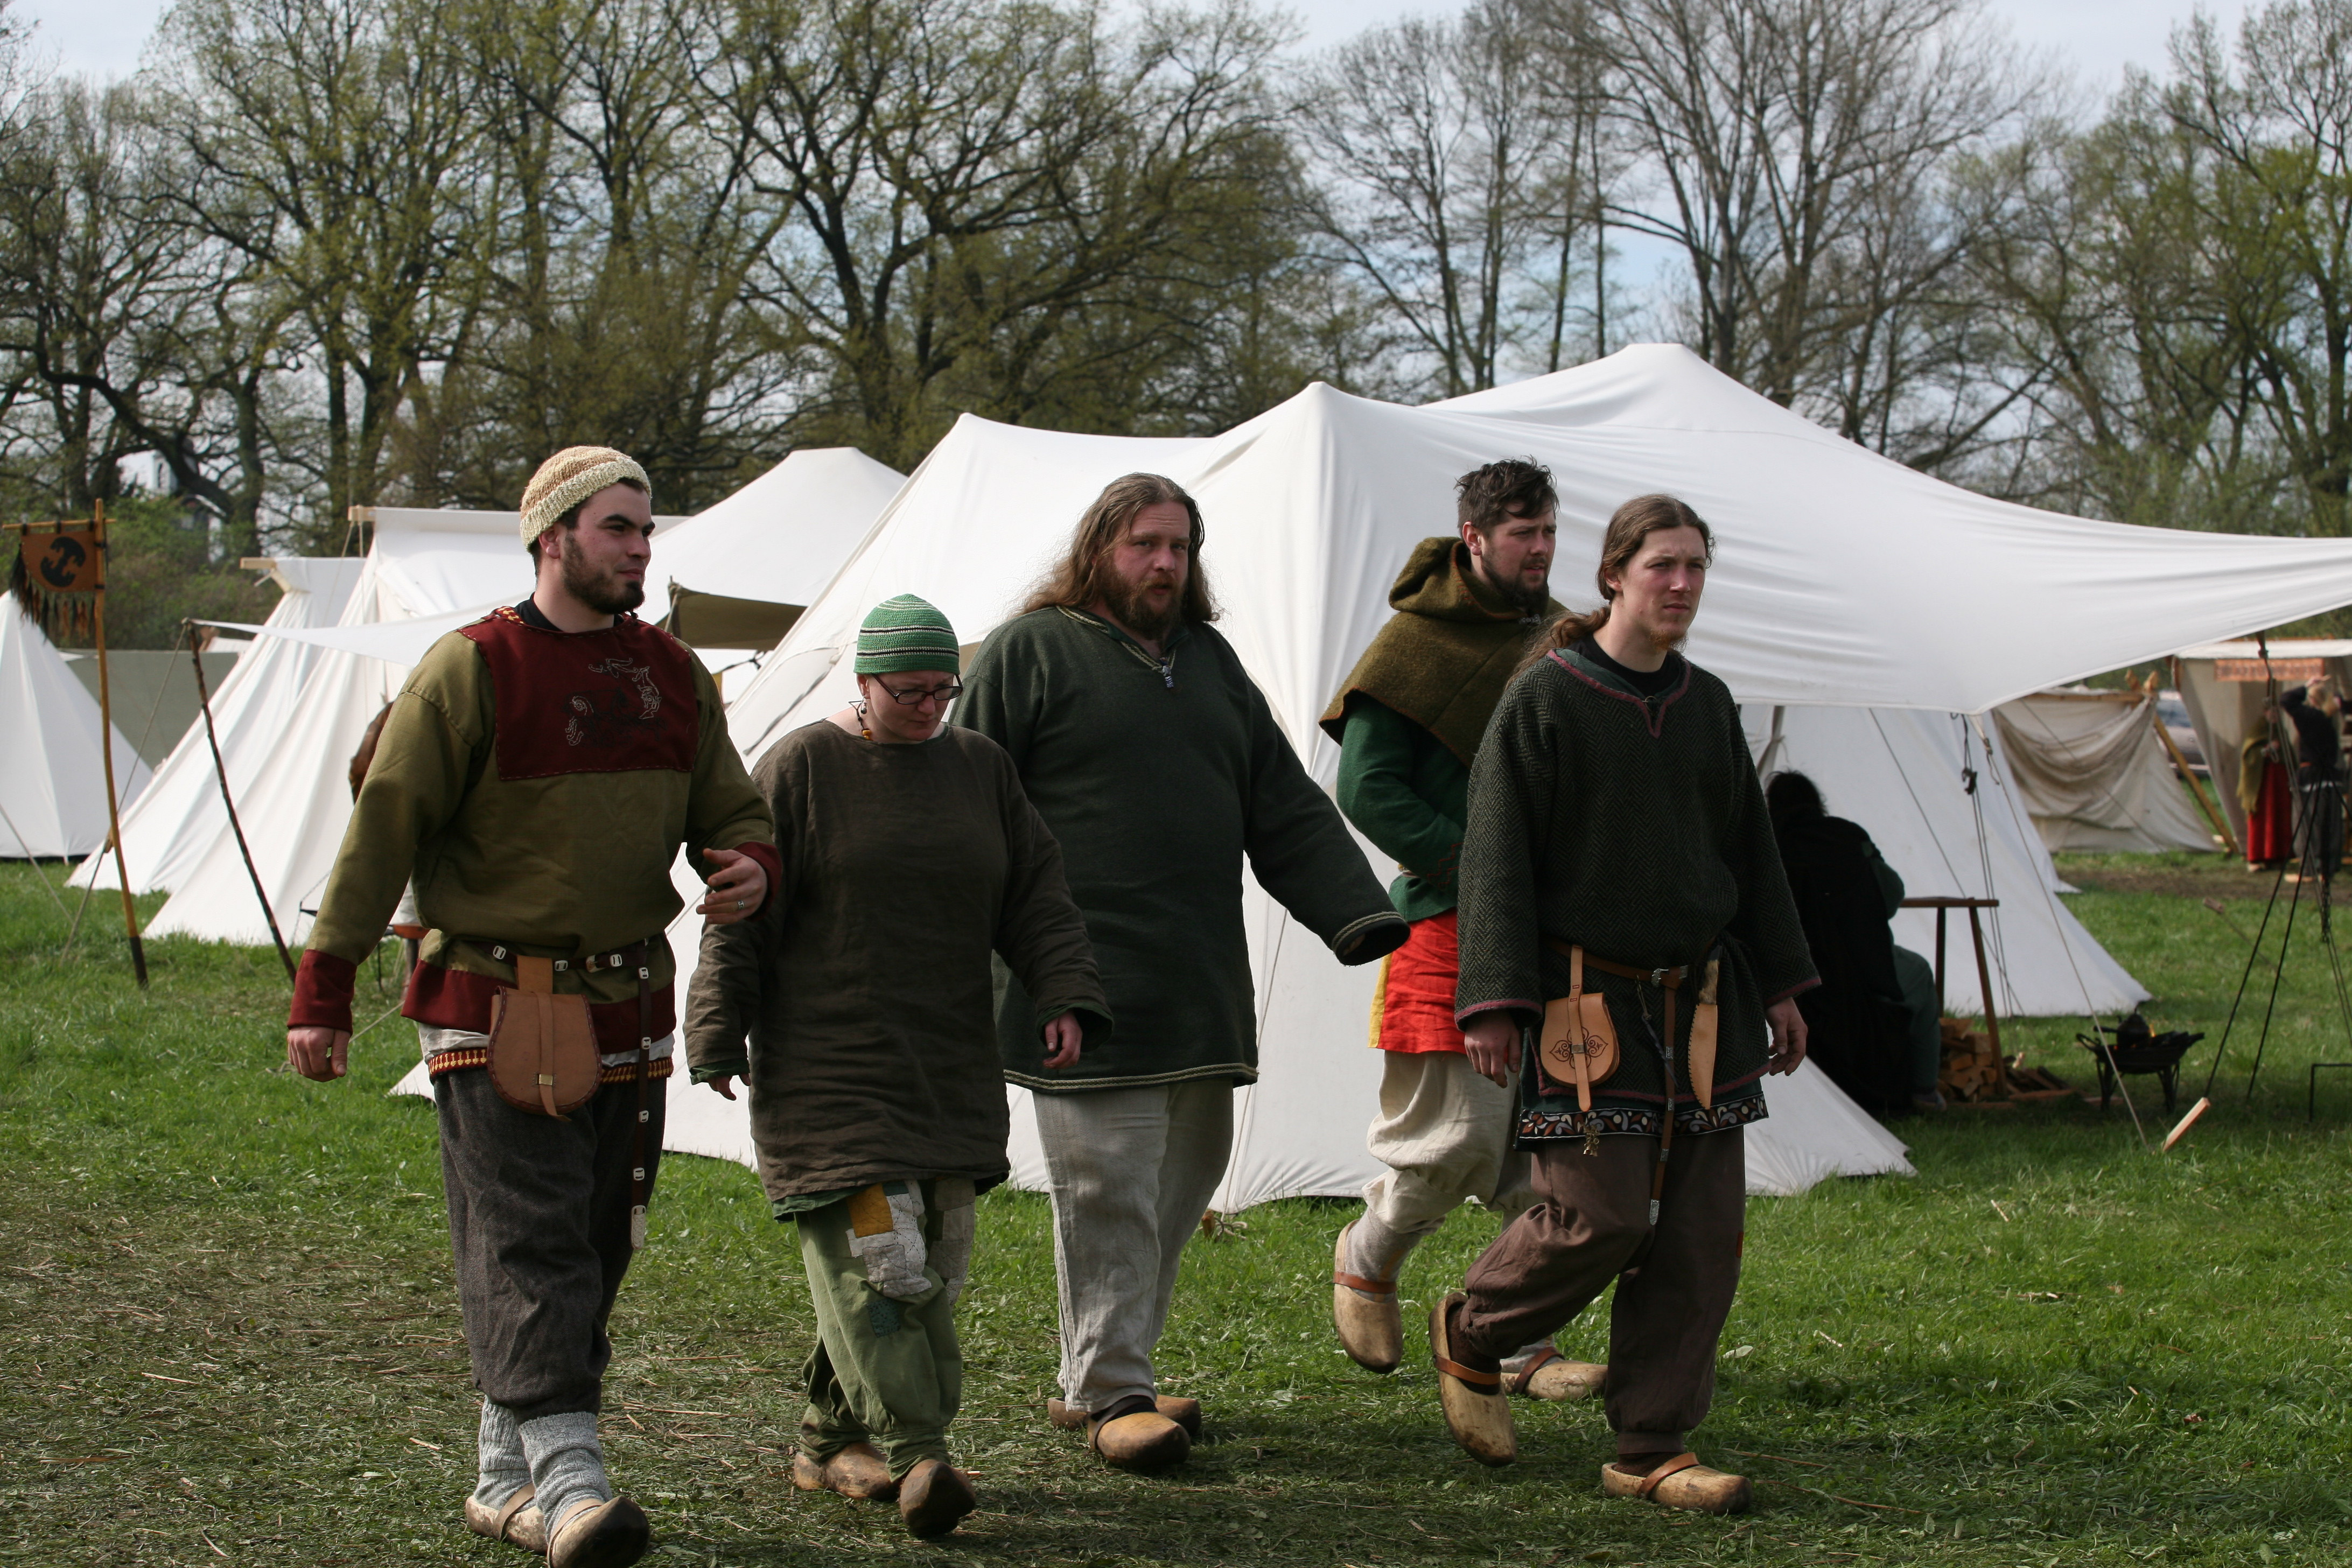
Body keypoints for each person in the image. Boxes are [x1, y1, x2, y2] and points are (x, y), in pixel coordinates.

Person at [284, 446, 780, 1568]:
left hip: (628, 1004)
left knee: (595, 1245)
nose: (640, 549)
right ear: (552, 537)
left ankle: (500, 1478)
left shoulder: (673, 673)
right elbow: (380, 834)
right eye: (618, 528)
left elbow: (732, 810)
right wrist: (324, 991)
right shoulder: (470, 668)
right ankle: (570, 1482)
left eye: (646, 530)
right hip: (497, 1000)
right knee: (531, 1241)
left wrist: (750, 861)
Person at [957, 472, 1408, 1473]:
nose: (1164, 564)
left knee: (1183, 1175)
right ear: (1098, 550)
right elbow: (966, 794)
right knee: (1108, 1185)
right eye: (1144, 545)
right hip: (1077, 977)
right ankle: (1114, 1389)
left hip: (1196, 978)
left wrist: (1355, 908)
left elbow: (1278, 799)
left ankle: (1102, 1370)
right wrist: (966, 941)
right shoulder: (1032, 650)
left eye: (1179, 547)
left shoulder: (1208, 661)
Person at [683, 595, 1111, 1539]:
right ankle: (922, 1453)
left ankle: (825, 1437)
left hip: (946, 1063)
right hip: (830, 1072)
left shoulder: (979, 768)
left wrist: (1064, 992)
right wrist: (716, 1027)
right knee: (881, 1259)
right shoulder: (803, 766)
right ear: (864, 682)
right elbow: (741, 908)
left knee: (939, 1261)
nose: (928, 708)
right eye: (908, 691)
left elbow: (1036, 894)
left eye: (941, 691)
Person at [1429, 493, 1815, 1514]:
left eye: (1695, 567)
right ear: (1613, 575)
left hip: (1706, 1006)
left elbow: (1751, 851)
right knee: (1597, 1218)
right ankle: (1474, 1328)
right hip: (1583, 1002)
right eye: (1661, 566)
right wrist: (1493, 998)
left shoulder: (1706, 703)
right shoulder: (1546, 698)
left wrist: (1784, 983)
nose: (1682, 584)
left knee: (1699, 1235)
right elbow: (1495, 853)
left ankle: (1651, 1442)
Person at [1317, 459, 1601, 1401]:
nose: (1541, 548)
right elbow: (1367, 790)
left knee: (1545, 1150)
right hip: (1447, 920)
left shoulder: (1561, 638)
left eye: (1549, 530)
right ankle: (1366, 1258)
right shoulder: (1414, 644)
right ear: (1473, 538)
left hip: (1554, 930)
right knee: (1452, 1141)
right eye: (1523, 532)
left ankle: (1516, 1340)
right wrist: (1481, 871)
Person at [1765, 771, 1942, 1115]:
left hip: (1793, 973)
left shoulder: (1768, 843)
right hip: (1857, 964)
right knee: (1918, 972)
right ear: (1817, 802)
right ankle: (1924, 1090)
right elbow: (1891, 894)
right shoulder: (1847, 838)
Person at [2279, 675, 2346, 881]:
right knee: (2330, 825)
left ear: (2313, 699)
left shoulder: (2310, 716)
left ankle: (2309, 869)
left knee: (2308, 824)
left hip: (2311, 778)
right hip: (2331, 778)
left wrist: (2306, 685)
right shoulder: (2332, 717)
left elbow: (2286, 700)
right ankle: (2328, 869)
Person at [2240, 705, 2292, 871]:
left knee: (2279, 817)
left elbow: (2289, 756)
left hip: (2279, 784)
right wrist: (2266, 750)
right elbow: (2249, 754)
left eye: (2278, 712)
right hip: (2262, 785)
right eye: (2272, 711)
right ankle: (2256, 858)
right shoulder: (2258, 730)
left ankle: (2277, 856)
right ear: (2265, 712)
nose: (2275, 715)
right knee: (2261, 819)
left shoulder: (2281, 731)